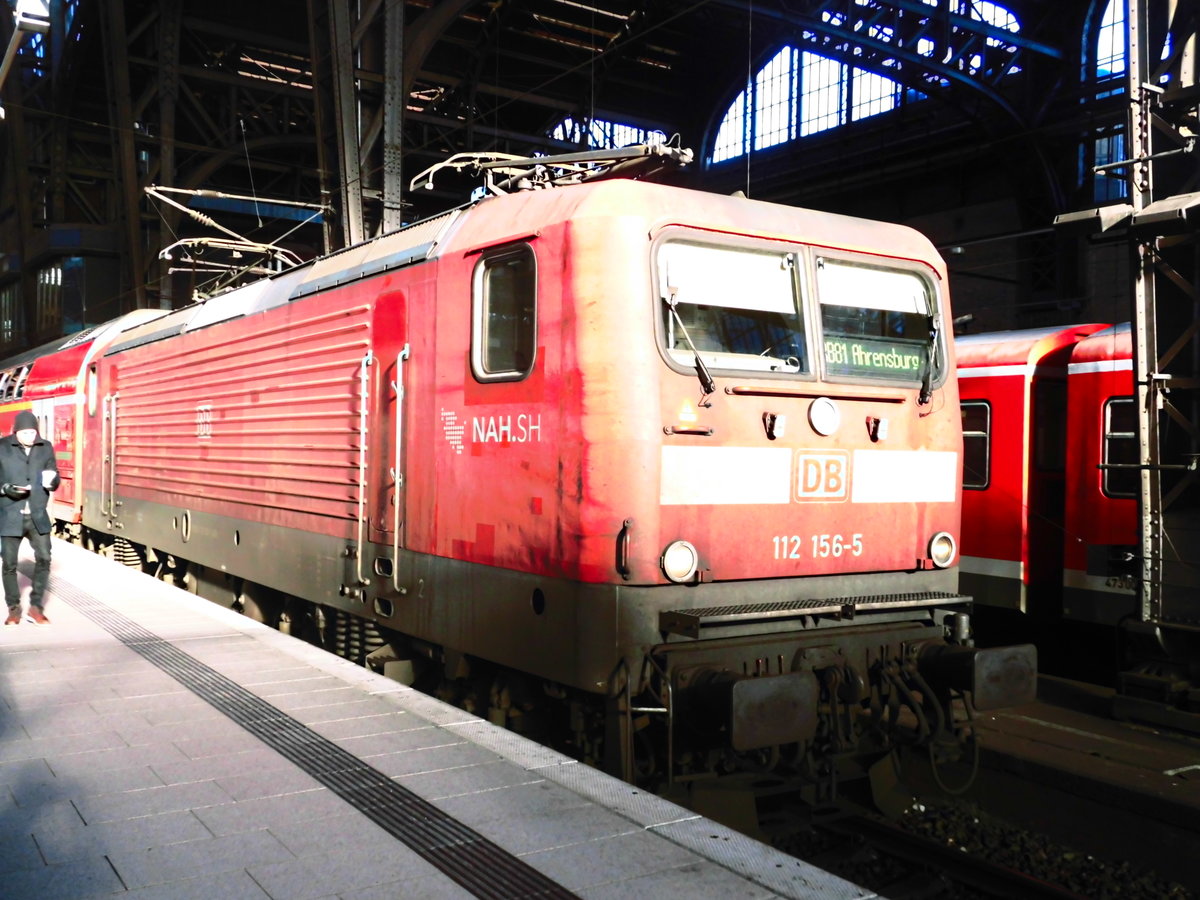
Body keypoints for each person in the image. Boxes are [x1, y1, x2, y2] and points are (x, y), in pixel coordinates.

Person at [1, 410, 60, 625]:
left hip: (37, 515)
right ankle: (14, 608)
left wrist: (52, 482)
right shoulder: (2, 447)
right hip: (10, 514)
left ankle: (36, 607)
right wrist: (5, 489)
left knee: (44, 558)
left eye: (32, 433)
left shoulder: (45, 448)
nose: (30, 437)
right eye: (25, 433)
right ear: (16, 432)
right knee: (8, 563)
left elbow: (54, 473)